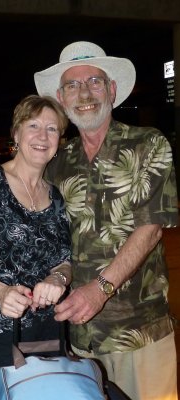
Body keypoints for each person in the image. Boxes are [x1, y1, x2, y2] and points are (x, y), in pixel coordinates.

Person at [34, 41, 179, 400]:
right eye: (72, 85)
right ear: (62, 98)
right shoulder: (57, 161)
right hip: (81, 334)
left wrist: (99, 290)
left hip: (140, 329)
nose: (84, 93)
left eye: (95, 81)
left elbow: (150, 228)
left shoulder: (147, 143)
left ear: (112, 90)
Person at [0, 94, 72, 397]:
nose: (42, 136)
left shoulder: (56, 196)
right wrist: (1, 292)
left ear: (59, 139)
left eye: (52, 128)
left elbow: (64, 261)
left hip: (46, 327)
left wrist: (58, 279)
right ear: (16, 133)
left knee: (44, 392)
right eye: (33, 125)